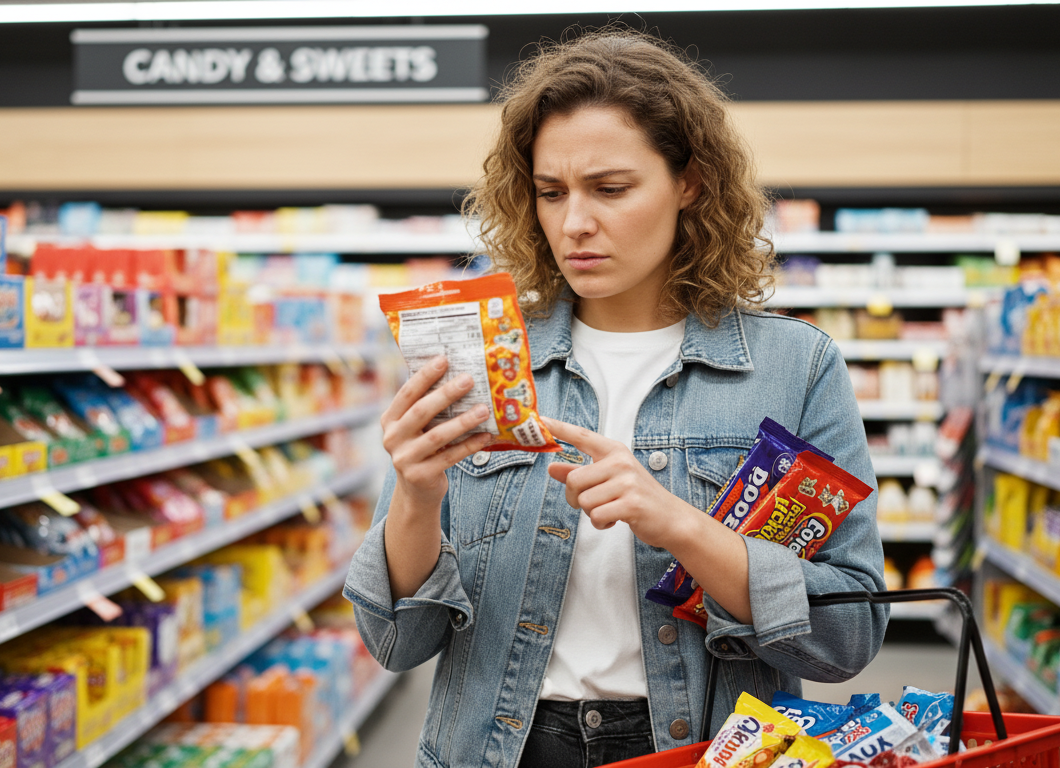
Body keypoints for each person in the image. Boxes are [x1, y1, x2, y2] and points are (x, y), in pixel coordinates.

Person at [343, 28, 886, 768]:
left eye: (610, 189)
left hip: (705, 747)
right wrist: (414, 492)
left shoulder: (794, 366)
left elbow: (846, 639)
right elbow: (397, 642)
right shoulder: (483, 365)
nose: (575, 224)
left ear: (689, 182)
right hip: (503, 748)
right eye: (550, 192)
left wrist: (680, 526)